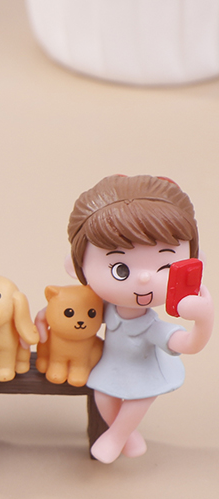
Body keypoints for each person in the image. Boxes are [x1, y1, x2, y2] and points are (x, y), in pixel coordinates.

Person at [66, 174, 213, 463]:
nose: (145, 278)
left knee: (138, 399)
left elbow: (188, 344)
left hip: (144, 370)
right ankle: (129, 437)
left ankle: (117, 437)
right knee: (103, 398)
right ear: (76, 266)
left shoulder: (151, 326)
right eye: (120, 269)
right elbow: (77, 317)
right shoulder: (105, 308)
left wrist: (204, 320)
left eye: (165, 265)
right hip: (112, 367)